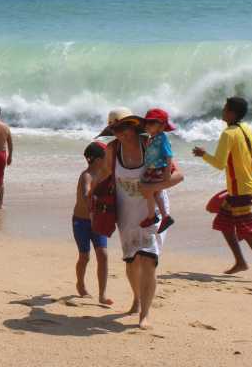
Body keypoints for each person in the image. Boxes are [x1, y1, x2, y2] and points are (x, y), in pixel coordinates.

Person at [99, 111, 184, 329]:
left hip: (152, 212)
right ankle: (136, 298)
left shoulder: (150, 145)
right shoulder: (112, 150)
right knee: (131, 261)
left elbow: (178, 175)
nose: (121, 133)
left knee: (148, 259)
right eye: (116, 129)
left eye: (124, 127)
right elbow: (105, 176)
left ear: (134, 126)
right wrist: (91, 198)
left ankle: (144, 314)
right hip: (126, 214)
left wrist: (153, 187)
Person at [193, 97, 252, 282]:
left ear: (232, 113)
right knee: (224, 223)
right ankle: (240, 262)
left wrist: (203, 154)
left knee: (247, 231)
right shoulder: (246, 129)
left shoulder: (228, 134)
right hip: (242, 187)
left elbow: (219, 163)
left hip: (239, 191)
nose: (222, 111)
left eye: (225, 108)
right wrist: (246, 174)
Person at [73, 142, 111, 305]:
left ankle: (102, 294)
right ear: (97, 160)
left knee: (103, 255)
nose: (108, 159)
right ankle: (80, 284)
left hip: (98, 221)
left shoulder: (107, 174)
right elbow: (86, 194)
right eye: (106, 156)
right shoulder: (86, 175)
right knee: (85, 256)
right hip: (81, 222)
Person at [139, 108, 176, 233]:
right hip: (152, 169)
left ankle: (152, 216)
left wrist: (167, 173)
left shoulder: (162, 138)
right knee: (155, 193)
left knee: (148, 190)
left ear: (162, 125)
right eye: (146, 122)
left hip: (158, 170)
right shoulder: (152, 138)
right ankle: (165, 217)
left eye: (151, 123)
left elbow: (169, 155)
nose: (147, 125)